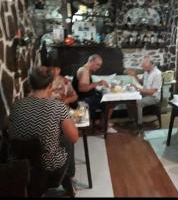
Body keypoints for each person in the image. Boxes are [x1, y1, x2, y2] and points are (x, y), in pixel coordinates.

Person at [8, 66, 79, 196]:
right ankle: (68, 179)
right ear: (51, 85)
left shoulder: (17, 105)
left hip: (20, 164)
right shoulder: (58, 107)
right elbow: (74, 137)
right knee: (68, 142)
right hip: (48, 168)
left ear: (30, 84)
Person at [72, 54, 117, 133]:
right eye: (98, 64)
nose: (98, 67)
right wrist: (98, 83)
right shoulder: (84, 70)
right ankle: (103, 126)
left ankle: (102, 123)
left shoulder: (86, 70)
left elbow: (87, 86)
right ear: (91, 62)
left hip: (87, 97)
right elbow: (82, 88)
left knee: (105, 99)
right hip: (84, 100)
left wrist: (97, 88)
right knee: (111, 103)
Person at [127, 56, 162, 132]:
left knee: (138, 102)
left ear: (151, 64)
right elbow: (142, 82)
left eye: (143, 65)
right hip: (145, 94)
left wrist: (138, 89)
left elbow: (152, 91)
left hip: (153, 97)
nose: (142, 66)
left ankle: (139, 125)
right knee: (130, 99)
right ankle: (133, 120)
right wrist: (135, 75)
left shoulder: (157, 74)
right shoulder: (146, 72)